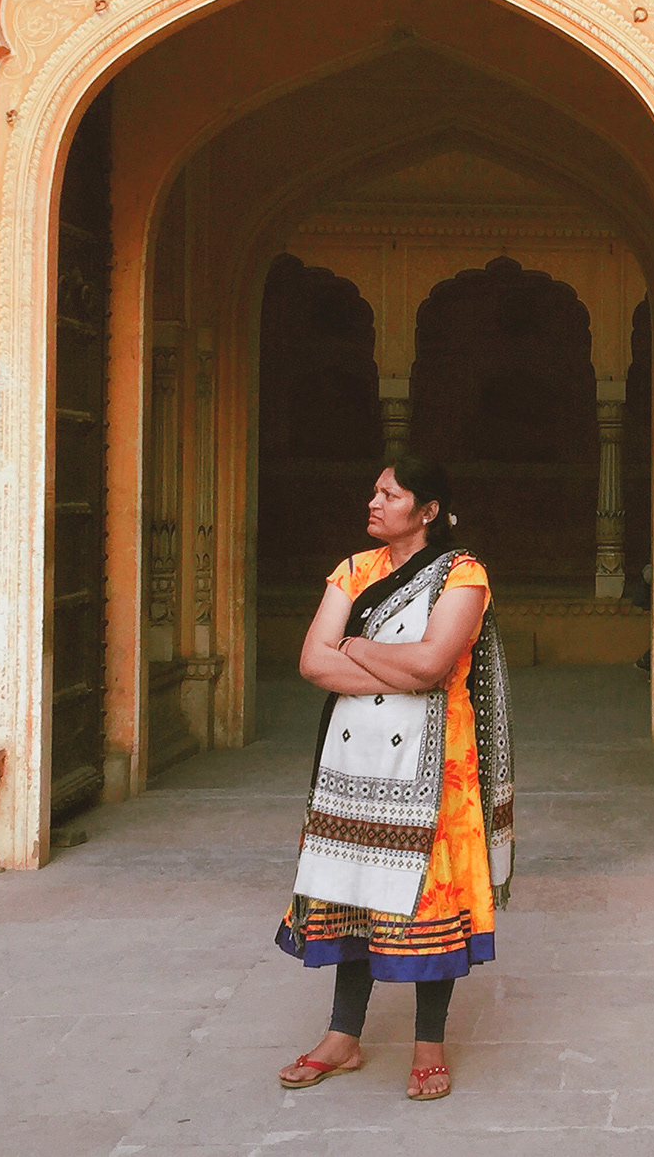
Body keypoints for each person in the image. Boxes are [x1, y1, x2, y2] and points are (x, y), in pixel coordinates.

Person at [274, 456, 503, 1101]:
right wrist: (390, 668)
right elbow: (312, 664)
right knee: (351, 890)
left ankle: (428, 1049)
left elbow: (433, 665)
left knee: (427, 901)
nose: (372, 501)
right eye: (374, 490)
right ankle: (343, 1038)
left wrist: (358, 649)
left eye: (388, 493)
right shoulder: (353, 570)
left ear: (427, 510)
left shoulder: (463, 574)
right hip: (351, 763)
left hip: (433, 767)